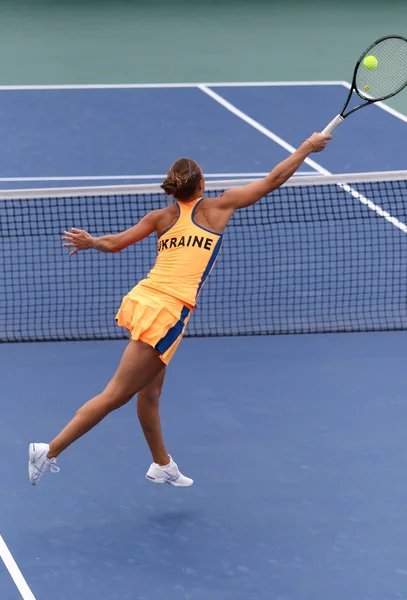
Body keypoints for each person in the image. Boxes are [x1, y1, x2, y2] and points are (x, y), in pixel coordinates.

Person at [29, 132, 331, 487]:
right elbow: (273, 179)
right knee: (115, 395)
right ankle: (48, 450)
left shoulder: (160, 217)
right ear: (202, 184)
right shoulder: (219, 207)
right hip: (166, 313)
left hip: (144, 300)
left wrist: (92, 240)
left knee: (150, 393)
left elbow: (114, 245)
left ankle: (161, 464)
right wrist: (308, 147)